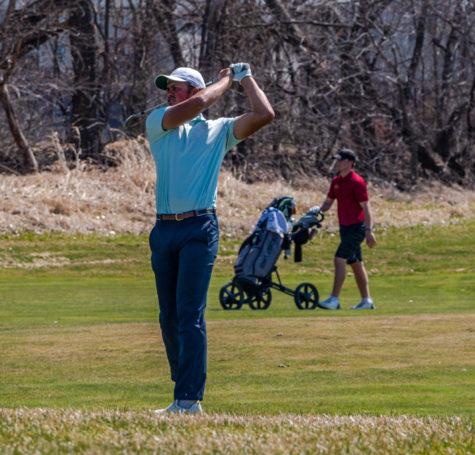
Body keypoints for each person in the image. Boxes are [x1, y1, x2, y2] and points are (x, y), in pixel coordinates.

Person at [145, 64, 274, 414]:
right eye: (168, 87)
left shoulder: (219, 130)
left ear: (193, 89)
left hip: (199, 229)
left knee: (189, 313)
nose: (170, 92)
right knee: (168, 316)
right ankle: (181, 391)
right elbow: (199, 103)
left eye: (177, 87)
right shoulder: (160, 121)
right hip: (164, 229)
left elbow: (265, 113)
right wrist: (224, 81)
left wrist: (245, 77)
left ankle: (189, 400)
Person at [317, 148, 377, 310]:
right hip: (344, 228)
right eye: (336, 160)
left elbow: (366, 208)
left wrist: (369, 230)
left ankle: (334, 300)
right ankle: (367, 301)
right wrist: (315, 215)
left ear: (350, 163)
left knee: (339, 259)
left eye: (341, 160)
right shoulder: (336, 181)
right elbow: (328, 202)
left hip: (357, 228)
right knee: (355, 263)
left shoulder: (357, 182)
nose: (337, 162)